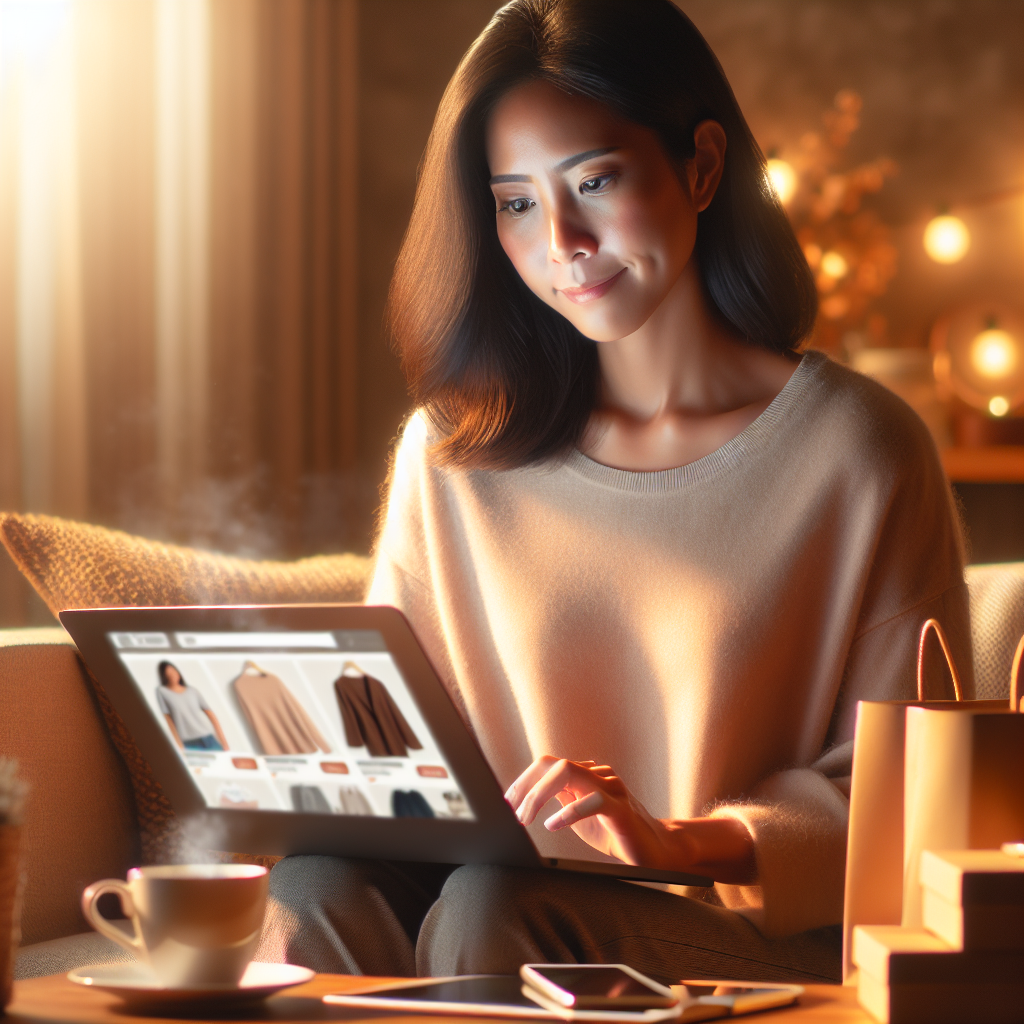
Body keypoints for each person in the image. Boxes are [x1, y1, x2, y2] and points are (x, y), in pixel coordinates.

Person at [256, 0, 971, 983]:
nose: (563, 239)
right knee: (311, 889)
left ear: (703, 165)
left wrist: (675, 839)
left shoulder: (862, 450)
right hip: (486, 888)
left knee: (494, 906)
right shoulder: (451, 453)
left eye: (594, 180)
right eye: (514, 202)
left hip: (730, 927)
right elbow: (395, 746)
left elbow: (918, 802)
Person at [155, 661, 229, 752]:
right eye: (168, 673)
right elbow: (169, 720)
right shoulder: (161, 691)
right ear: (164, 676)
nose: (172, 675)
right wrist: (180, 747)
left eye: (174, 672)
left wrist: (224, 742)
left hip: (208, 738)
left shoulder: (192, 691)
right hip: (189, 743)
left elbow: (211, 715)